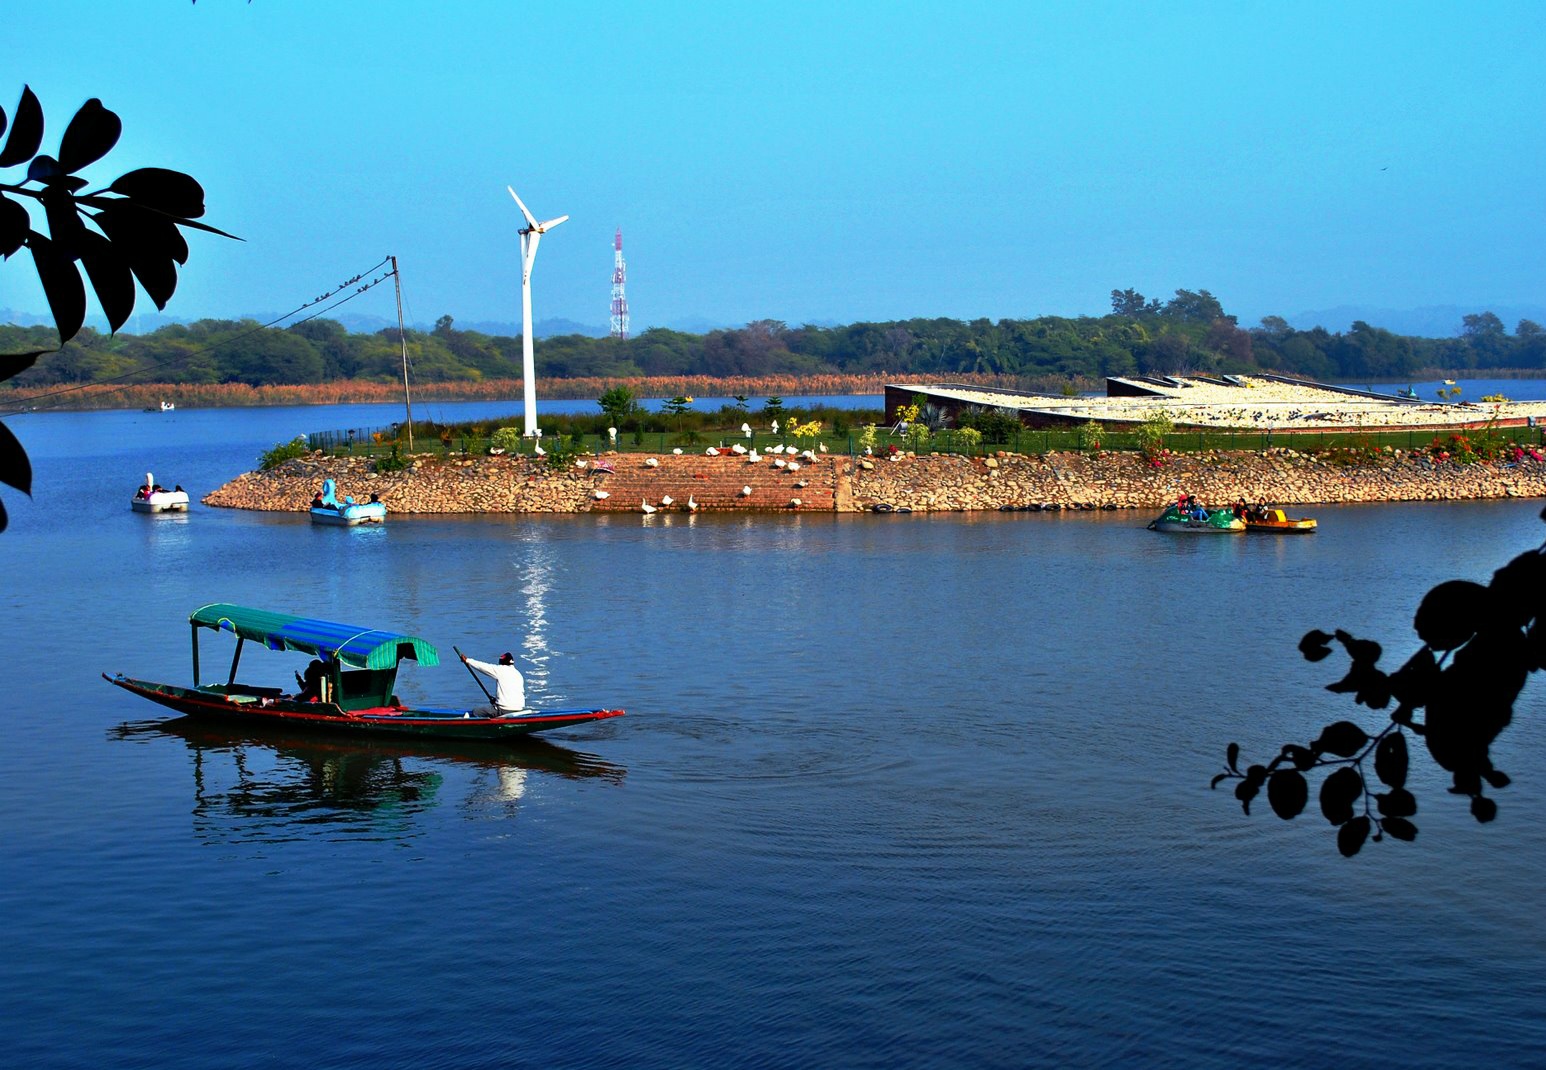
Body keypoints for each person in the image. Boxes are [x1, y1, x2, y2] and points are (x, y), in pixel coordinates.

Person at [461, 650, 527, 717]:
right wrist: (496, 700)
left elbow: (483, 667)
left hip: (503, 710)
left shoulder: (501, 670)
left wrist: (468, 660)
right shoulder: (518, 674)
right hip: (519, 709)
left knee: (476, 711)